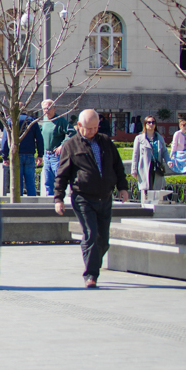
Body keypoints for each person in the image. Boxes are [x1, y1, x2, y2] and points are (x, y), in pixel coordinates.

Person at [54, 109, 129, 289]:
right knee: (91, 235)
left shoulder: (105, 142)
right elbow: (62, 174)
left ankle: (91, 258)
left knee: (103, 240)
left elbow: (117, 166)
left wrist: (123, 187)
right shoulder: (71, 145)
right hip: (83, 198)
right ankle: (91, 275)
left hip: (105, 197)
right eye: (89, 128)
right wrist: (58, 198)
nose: (93, 131)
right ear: (79, 126)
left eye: (96, 127)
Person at [0, 112, 44, 196]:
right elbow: (39, 139)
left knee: (17, 183)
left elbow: (5, 140)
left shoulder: (10, 121)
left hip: (16, 155)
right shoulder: (32, 121)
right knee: (31, 182)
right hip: (30, 155)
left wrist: (5, 157)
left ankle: (18, 206)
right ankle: (33, 206)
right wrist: (40, 154)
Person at [38, 99, 75, 197]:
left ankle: (60, 201)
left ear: (54, 108)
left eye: (49, 108)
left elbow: (72, 132)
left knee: (59, 181)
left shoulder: (60, 120)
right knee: (48, 182)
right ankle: (50, 204)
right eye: (44, 108)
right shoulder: (44, 120)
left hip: (56, 156)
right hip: (46, 155)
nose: (46, 110)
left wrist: (62, 145)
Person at [130, 115, 167, 200]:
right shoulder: (139, 138)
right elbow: (135, 155)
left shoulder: (159, 138)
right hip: (145, 166)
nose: (151, 124)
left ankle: (155, 206)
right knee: (146, 188)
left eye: (153, 122)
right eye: (149, 122)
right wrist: (134, 170)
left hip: (156, 166)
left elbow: (165, 151)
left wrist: (169, 161)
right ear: (145, 124)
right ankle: (146, 205)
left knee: (156, 188)